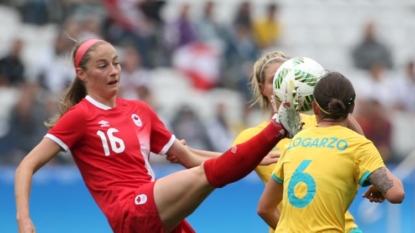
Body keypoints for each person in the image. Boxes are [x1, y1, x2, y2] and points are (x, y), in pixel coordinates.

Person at [14, 39, 298, 233]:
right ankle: (278, 127)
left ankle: (271, 133)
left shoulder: (139, 110)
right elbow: (26, 166)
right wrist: (24, 218)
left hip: (155, 209)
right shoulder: (80, 116)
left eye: (116, 63)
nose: (114, 71)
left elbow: (189, 158)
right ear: (82, 74)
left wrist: (252, 160)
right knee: (207, 176)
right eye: (103, 66)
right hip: (129, 211)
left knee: (206, 173)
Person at [174, 52, 364, 233]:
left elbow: (361, 144)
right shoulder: (253, 137)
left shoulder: (321, 122)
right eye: (275, 80)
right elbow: (222, 163)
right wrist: (186, 152)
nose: (286, 85)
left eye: (291, 77)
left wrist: (330, 100)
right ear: (262, 87)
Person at [257, 71, 405, 232]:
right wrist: (379, 182)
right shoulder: (358, 146)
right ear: (352, 108)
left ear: (314, 108)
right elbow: (396, 193)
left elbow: (264, 209)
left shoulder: (295, 142)